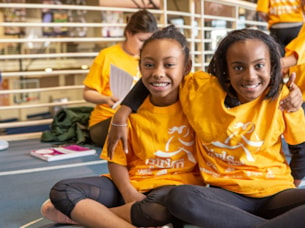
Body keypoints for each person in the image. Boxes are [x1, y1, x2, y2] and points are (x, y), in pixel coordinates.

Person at [107, 28, 305, 227]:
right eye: (238, 67)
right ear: (225, 69)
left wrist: (293, 183)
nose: (250, 76)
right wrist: (123, 110)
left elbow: (301, 148)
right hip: (224, 195)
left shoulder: (285, 98)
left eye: (259, 66)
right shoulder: (199, 88)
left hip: (275, 193)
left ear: (272, 67)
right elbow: (154, 76)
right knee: (180, 197)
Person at [41, 25, 204, 228]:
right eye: (149, 65)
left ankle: (90, 216)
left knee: (160, 207)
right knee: (62, 191)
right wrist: (128, 194)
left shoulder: (198, 102)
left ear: (186, 68)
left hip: (174, 190)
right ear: (140, 66)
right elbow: (116, 160)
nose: (158, 73)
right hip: (133, 185)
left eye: (169, 65)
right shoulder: (128, 113)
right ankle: (125, 219)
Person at [83, 9, 157, 148]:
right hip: (105, 120)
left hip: (138, 116)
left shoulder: (151, 59)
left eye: (149, 41)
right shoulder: (107, 56)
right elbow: (87, 93)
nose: (145, 46)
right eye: (141, 40)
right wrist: (105, 99)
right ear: (128, 33)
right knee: (138, 126)